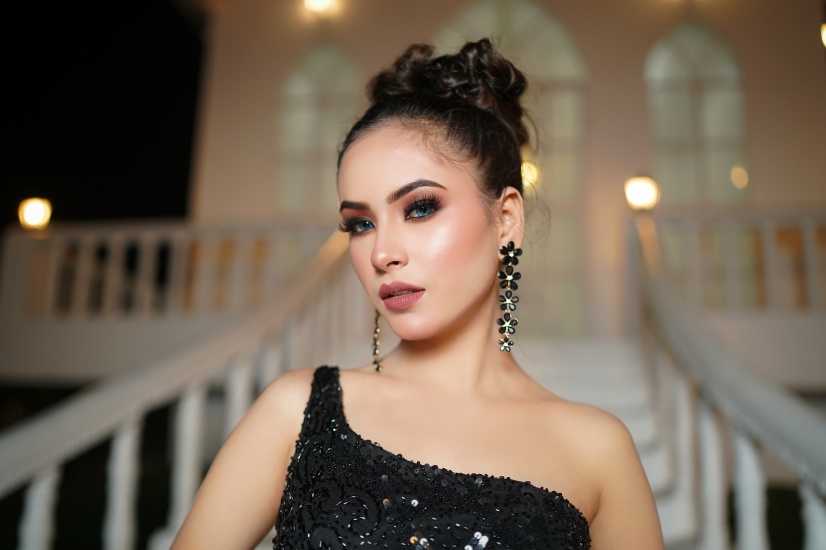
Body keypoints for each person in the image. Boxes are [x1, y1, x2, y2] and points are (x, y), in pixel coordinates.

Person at [172, 38, 663, 549]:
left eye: (420, 208)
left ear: (506, 220)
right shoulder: (295, 412)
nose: (382, 252)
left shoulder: (597, 451)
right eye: (360, 224)